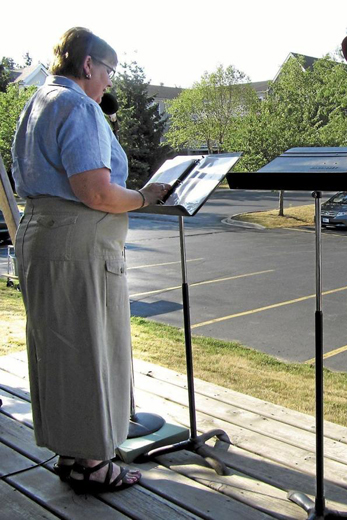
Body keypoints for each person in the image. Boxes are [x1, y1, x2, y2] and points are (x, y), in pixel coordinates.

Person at [11, 27, 169, 494]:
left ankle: (72, 453)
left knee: (60, 350)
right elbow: (96, 192)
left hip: (40, 235)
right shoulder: (78, 105)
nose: (108, 83)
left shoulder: (36, 101)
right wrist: (145, 196)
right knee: (90, 348)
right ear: (87, 65)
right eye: (108, 72)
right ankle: (93, 463)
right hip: (77, 245)